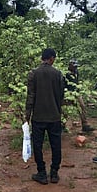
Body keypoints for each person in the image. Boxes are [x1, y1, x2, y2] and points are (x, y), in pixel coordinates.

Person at [25, 48, 65, 184]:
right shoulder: (58, 74)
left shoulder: (33, 74)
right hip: (54, 116)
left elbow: (30, 96)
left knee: (38, 145)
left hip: (38, 117)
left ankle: (41, 173)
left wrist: (27, 115)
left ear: (43, 58)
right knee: (56, 145)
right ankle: (54, 173)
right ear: (52, 58)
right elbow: (61, 96)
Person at [65, 59, 94, 132]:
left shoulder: (76, 72)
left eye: (76, 66)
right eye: (74, 66)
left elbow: (76, 82)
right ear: (70, 65)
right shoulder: (66, 74)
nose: (75, 68)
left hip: (76, 93)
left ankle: (85, 125)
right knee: (65, 110)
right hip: (67, 93)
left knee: (82, 107)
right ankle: (63, 125)